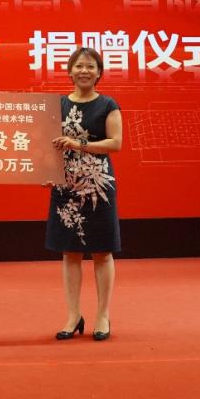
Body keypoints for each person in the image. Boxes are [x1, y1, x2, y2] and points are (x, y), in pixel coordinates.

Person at [47, 47, 123, 342]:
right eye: (79, 66)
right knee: (70, 252)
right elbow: (46, 145)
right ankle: (73, 315)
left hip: (97, 186)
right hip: (65, 186)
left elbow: (115, 143)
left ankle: (103, 314)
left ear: (99, 72)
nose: (84, 71)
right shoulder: (58, 105)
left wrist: (78, 144)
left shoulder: (107, 104)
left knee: (102, 252)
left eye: (91, 66)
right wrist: (45, 172)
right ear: (69, 71)